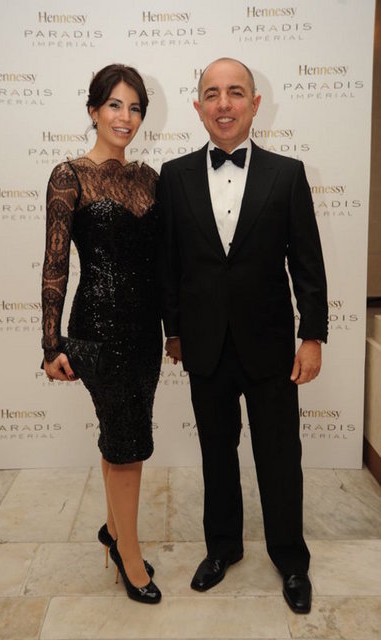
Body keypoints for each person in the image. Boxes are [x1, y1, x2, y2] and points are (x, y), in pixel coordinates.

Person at [158, 57, 328, 614]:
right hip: (204, 343)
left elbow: (307, 264)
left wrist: (312, 336)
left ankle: (291, 560)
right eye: (212, 93)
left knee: (279, 455)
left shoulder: (288, 173)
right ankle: (222, 547)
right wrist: (173, 332)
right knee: (216, 451)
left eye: (235, 92)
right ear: (198, 107)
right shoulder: (173, 176)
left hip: (271, 344)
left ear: (255, 104)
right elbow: (169, 265)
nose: (224, 103)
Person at [41, 64, 162, 604]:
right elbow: (55, 264)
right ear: (93, 110)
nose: (125, 117)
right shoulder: (69, 175)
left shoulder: (149, 179)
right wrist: (51, 344)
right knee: (128, 444)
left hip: (145, 332)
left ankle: (113, 531)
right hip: (97, 329)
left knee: (120, 436)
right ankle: (129, 557)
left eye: (135, 107)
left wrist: (174, 330)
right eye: (115, 104)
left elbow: (162, 265)